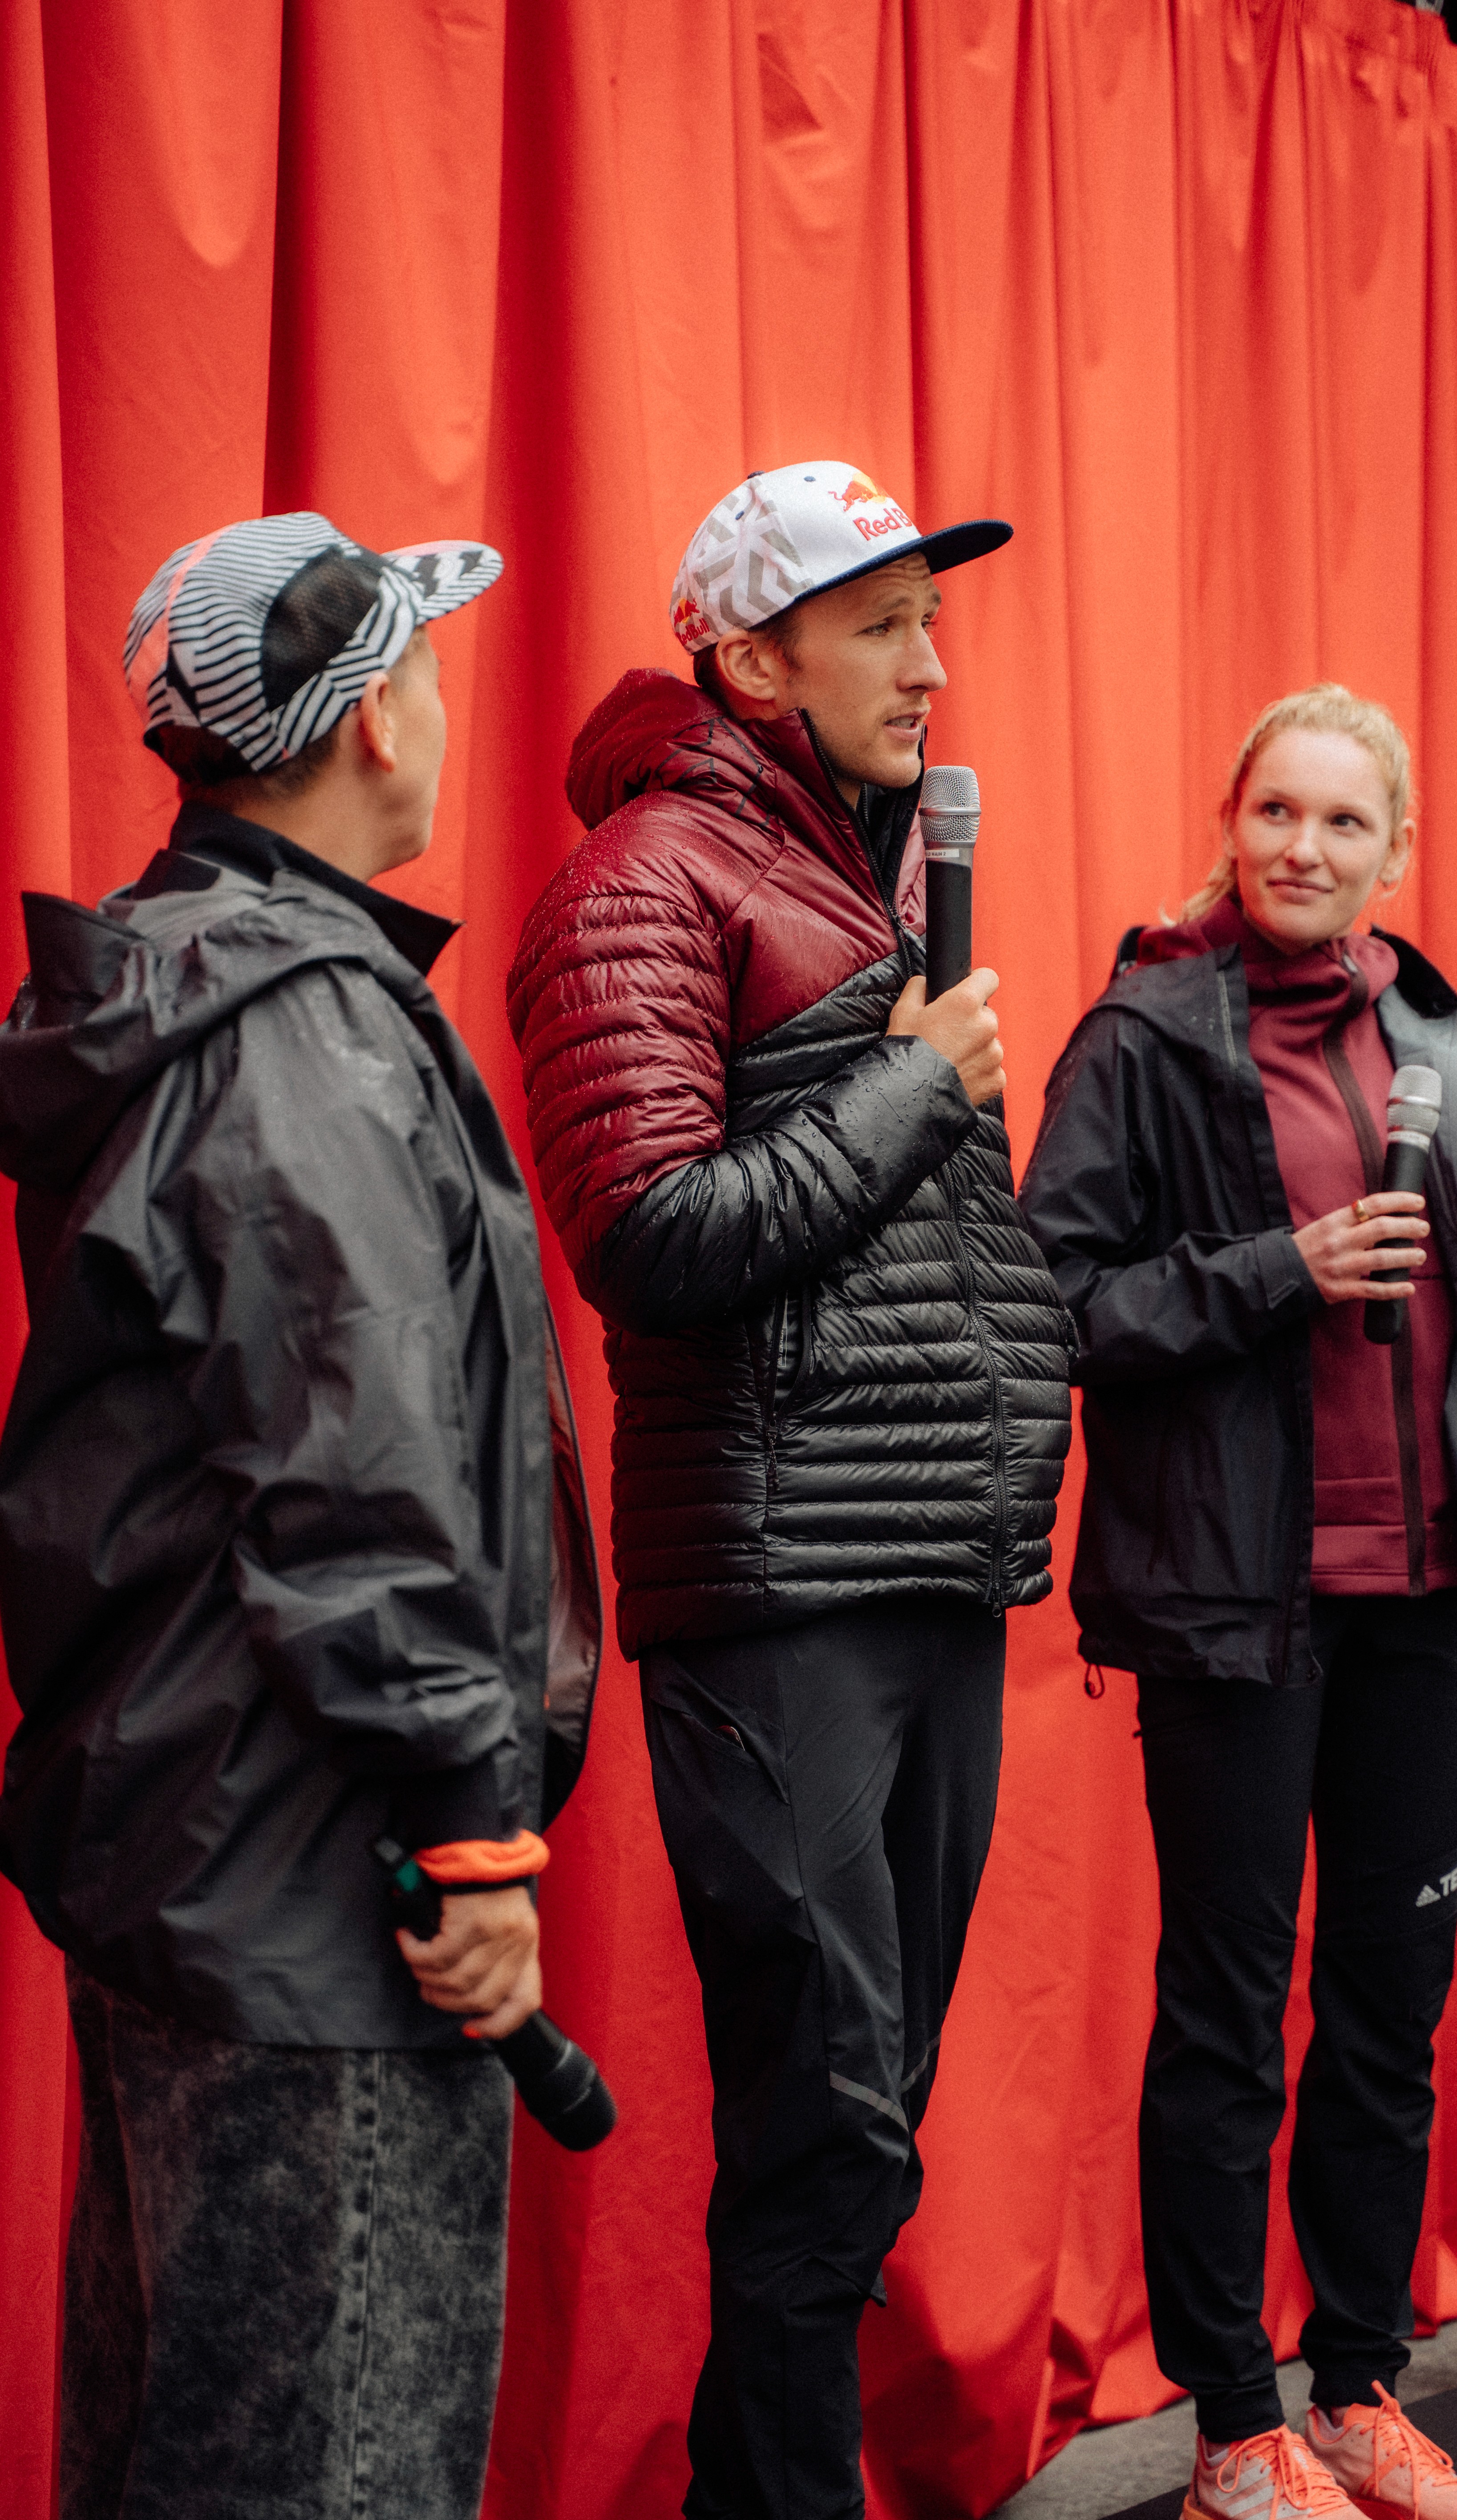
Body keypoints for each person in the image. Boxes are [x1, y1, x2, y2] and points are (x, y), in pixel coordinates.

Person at [0, 512, 601, 2520]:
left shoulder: (191, 991)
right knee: (327, 2463)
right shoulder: (301, 1034)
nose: (445, 707)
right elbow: (353, 1468)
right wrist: (468, 1824)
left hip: (203, 1855)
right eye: (421, 667)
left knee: (193, 2435)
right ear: (362, 727)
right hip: (321, 1890)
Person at [507, 461, 1072, 2518]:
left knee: (869, 2125)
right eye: (881, 627)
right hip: (780, 1591)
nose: (930, 667)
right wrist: (920, 1077)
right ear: (749, 659)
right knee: (827, 2123)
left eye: (934, 622)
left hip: (922, 1559)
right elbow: (649, 1232)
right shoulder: (643, 881)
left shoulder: (859, 878)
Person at [1021, 686, 1457, 2520]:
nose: (1301, 850)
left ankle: (1354, 2397)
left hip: (1420, 1600)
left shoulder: (1424, 1023)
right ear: (1228, 822)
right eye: (1275, 813)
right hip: (1231, 1609)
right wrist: (1279, 1266)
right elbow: (1054, 1302)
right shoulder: (1146, 1031)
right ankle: (1231, 2433)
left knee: (1387, 1999)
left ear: (1388, 853)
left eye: (1340, 823)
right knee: (1226, 2016)